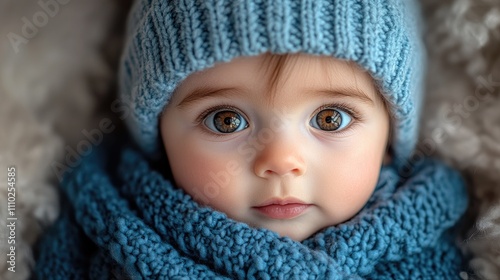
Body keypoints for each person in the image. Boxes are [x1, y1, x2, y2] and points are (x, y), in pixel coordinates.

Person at [35, 0, 468, 278]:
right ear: (160, 136)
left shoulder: (436, 248)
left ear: (389, 138)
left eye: (331, 118)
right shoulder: (102, 230)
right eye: (226, 121)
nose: (281, 161)